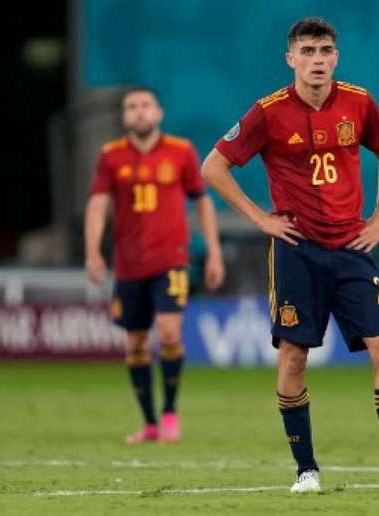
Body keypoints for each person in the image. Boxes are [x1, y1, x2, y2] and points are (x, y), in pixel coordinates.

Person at [201, 18, 379, 492]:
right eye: (307, 50)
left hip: (351, 248)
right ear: (290, 58)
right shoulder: (268, 113)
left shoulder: (359, 102)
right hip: (297, 251)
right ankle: (306, 470)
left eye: (325, 50)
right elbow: (213, 166)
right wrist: (260, 218)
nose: (317, 59)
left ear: (336, 57)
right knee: (293, 358)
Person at [85, 86, 225, 444]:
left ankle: (170, 412)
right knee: (134, 344)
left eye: (146, 105)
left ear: (159, 113)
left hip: (171, 260)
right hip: (129, 265)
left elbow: (202, 202)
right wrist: (93, 252)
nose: (139, 112)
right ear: (124, 116)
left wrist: (213, 251)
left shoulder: (181, 151)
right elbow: (98, 206)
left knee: (168, 332)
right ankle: (149, 423)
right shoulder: (111, 156)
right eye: (132, 107)